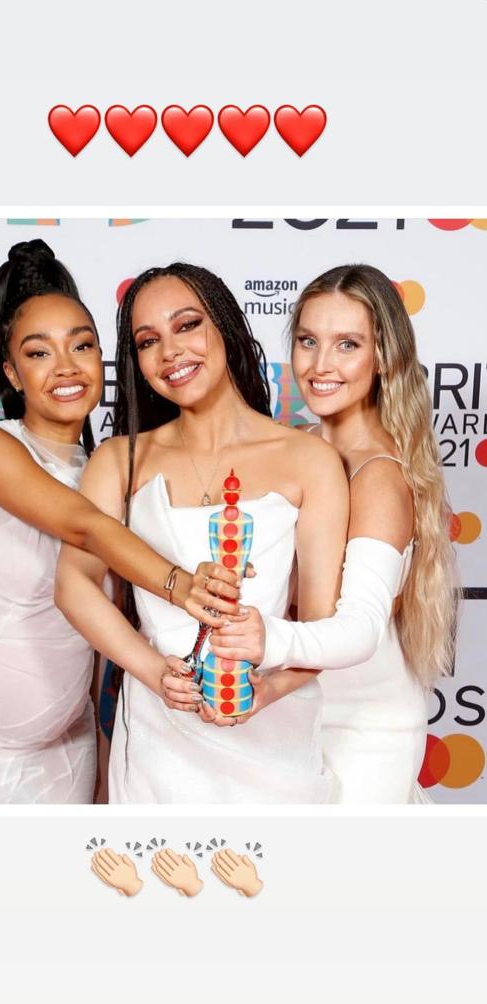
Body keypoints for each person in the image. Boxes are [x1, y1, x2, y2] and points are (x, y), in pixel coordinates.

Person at [0, 242, 239, 804]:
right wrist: (183, 585)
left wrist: (108, 764)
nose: (65, 368)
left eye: (82, 345)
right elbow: (82, 526)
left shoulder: (113, 468)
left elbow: (97, 645)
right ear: (10, 371)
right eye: (38, 354)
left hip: (67, 751)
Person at [56, 262, 351, 803]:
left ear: (225, 325)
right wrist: (154, 674)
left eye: (187, 325)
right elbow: (73, 583)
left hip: (273, 737)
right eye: (148, 340)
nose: (170, 352)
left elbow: (321, 626)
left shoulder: (309, 460)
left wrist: (268, 689)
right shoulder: (119, 460)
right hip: (156, 739)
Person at [207, 264, 459, 803]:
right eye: (308, 341)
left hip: (365, 729)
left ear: (383, 358)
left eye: (347, 344)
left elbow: (360, 629)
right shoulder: (296, 447)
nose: (321, 366)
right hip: (296, 712)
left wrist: (266, 647)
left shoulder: (379, 477)